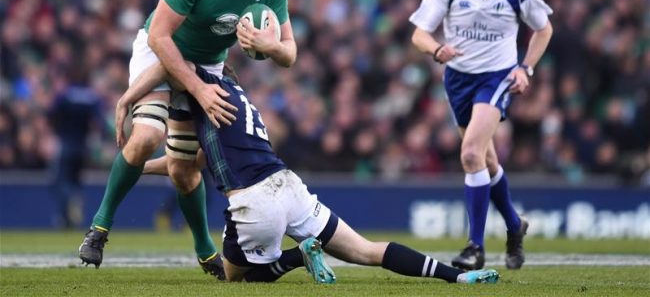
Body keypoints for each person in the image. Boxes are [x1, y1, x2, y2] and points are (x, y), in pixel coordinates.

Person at [115, 60, 500, 285]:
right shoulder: (240, 101)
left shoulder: (204, 87)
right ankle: (456, 277)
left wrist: (129, 99)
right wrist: (136, 167)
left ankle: (297, 257)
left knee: (236, 277)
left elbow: (170, 61)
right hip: (288, 186)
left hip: (254, 200)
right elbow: (192, 162)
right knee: (366, 250)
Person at [79, 0, 297, 280]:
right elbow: (159, 36)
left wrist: (272, 46)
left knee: (184, 169)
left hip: (209, 64)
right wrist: (195, 89)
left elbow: (289, 53)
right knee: (147, 137)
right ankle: (99, 227)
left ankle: (203, 248)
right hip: (160, 52)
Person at [409, 0, 553, 270]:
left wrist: (525, 68)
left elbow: (544, 29)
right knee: (486, 162)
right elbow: (419, 34)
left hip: (497, 77)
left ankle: (475, 247)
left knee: (471, 153)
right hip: (458, 80)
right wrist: (437, 50)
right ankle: (515, 225)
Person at [48, 64, 105, 229]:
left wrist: (56, 129)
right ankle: (68, 218)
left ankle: (69, 204)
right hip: (83, 146)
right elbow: (100, 122)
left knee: (59, 181)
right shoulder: (92, 97)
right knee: (76, 181)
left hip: (66, 143)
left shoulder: (64, 95)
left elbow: (50, 113)